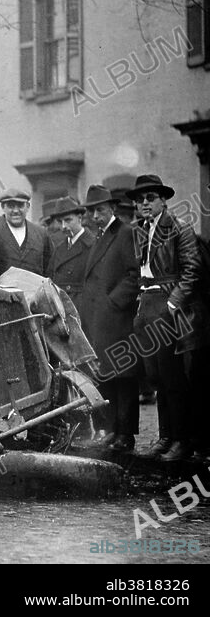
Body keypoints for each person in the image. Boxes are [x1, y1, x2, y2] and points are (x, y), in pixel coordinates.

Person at [128, 173, 201, 463]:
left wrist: (172, 304)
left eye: (150, 198)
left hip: (167, 303)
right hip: (145, 303)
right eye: (140, 199)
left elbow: (191, 270)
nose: (144, 204)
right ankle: (166, 436)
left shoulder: (179, 228)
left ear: (162, 201)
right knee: (155, 374)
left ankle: (182, 441)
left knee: (172, 375)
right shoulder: (139, 230)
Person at [76, 186, 139, 452]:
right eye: (91, 211)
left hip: (117, 320)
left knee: (124, 377)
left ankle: (126, 434)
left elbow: (134, 275)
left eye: (100, 209)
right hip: (98, 321)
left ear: (111, 209)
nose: (95, 215)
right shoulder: (98, 237)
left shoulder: (125, 233)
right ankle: (112, 431)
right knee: (107, 377)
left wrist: (114, 302)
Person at [0, 188, 52, 282]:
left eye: (20, 205)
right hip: (1, 295)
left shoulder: (41, 234)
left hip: (35, 295)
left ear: (28, 206)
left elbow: (50, 269)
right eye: (11, 206)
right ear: (3, 207)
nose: (16, 211)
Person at [45, 196, 94, 302]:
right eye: (60, 221)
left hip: (83, 309)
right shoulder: (59, 249)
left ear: (80, 218)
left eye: (68, 220)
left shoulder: (93, 246)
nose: (63, 226)